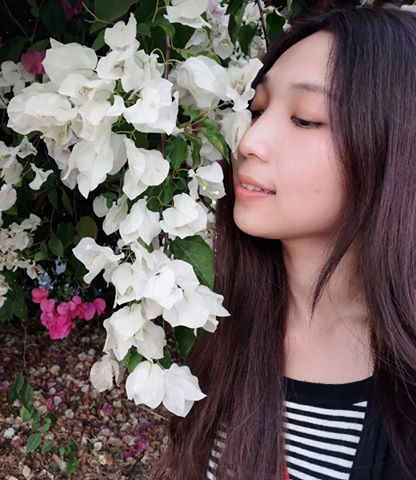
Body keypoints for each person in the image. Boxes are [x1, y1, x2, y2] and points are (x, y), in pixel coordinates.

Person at [152, 4, 416, 480]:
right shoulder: (223, 321)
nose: (249, 141)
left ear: (396, 145)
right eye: (256, 110)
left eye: (306, 119)